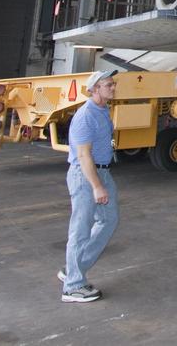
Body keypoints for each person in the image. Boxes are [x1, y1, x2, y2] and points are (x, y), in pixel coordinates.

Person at [61, 69, 119, 303]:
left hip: (102, 171)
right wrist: (97, 186)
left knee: (109, 219)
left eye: (113, 84)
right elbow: (84, 156)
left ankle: (74, 267)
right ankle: (73, 286)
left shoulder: (103, 109)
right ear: (95, 89)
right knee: (81, 229)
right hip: (86, 175)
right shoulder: (86, 116)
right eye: (108, 85)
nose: (113, 87)